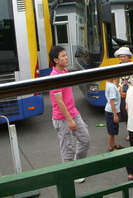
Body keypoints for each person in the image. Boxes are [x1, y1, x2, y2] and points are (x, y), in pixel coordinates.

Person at [49, 46, 90, 183]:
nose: (66, 58)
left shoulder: (65, 71)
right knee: (67, 148)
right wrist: (69, 120)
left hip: (74, 113)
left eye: (66, 55)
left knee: (85, 139)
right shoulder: (54, 77)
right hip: (62, 118)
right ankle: (71, 174)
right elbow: (59, 101)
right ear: (56, 60)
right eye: (63, 56)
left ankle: (77, 165)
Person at [114, 47, 133, 141]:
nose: (122, 58)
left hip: (132, 93)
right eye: (120, 57)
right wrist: (117, 91)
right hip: (122, 94)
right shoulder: (117, 67)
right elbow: (116, 81)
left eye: (124, 56)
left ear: (128, 57)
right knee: (126, 116)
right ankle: (130, 133)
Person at [104, 78, 123, 151]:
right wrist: (115, 115)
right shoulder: (111, 87)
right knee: (111, 130)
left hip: (110, 110)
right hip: (111, 111)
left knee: (112, 129)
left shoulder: (109, 83)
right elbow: (112, 100)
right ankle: (110, 147)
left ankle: (113, 144)